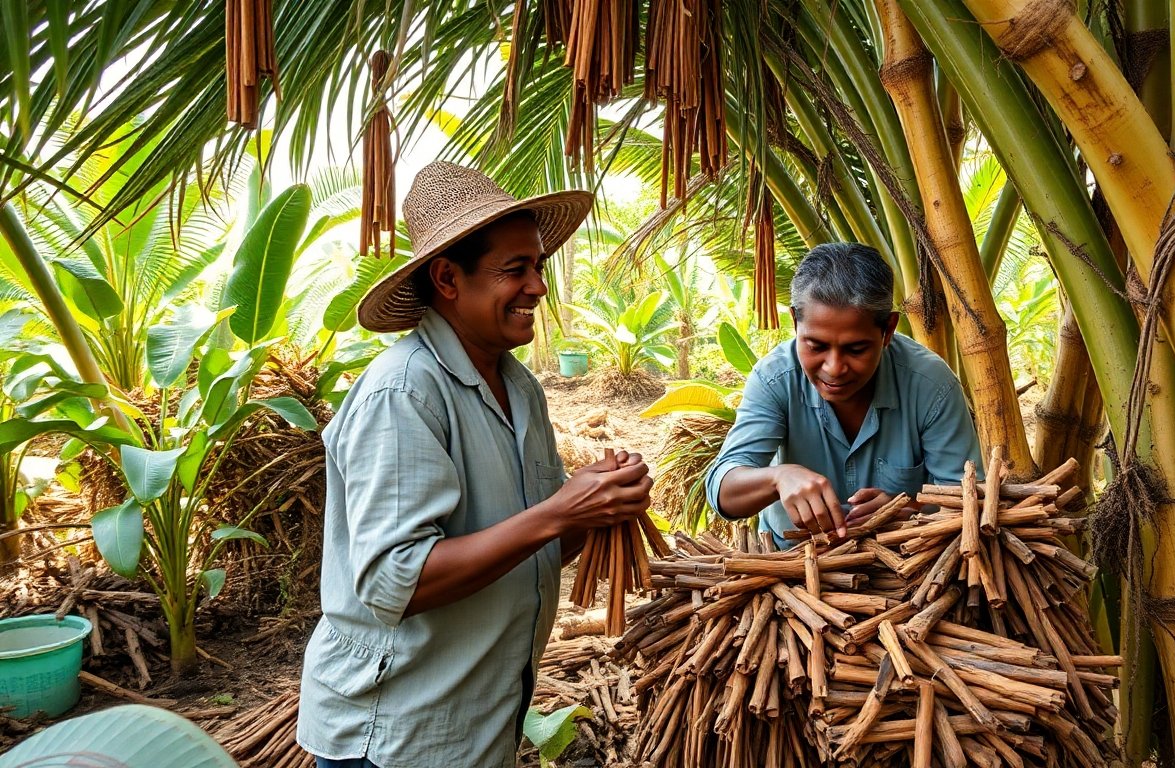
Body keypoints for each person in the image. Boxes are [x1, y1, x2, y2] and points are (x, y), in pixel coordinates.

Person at [297, 161, 653, 768]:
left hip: (476, 726)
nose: (538, 286)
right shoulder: (404, 394)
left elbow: (528, 547)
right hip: (396, 736)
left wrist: (592, 510)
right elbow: (395, 582)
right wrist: (559, 512)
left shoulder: (520, 390)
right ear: (447, 279)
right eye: (514, 270)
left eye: (537, 267)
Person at [705, 242, 981, 546]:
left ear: (888, 330)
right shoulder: (774, 379)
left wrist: (910, 510)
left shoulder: (931, 385)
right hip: (794, 566)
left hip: (906, 565)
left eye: (856, 348)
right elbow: (723, 491)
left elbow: (968, 500)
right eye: (817, 346)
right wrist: (778, 478)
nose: (834, 368)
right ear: (795, 322)